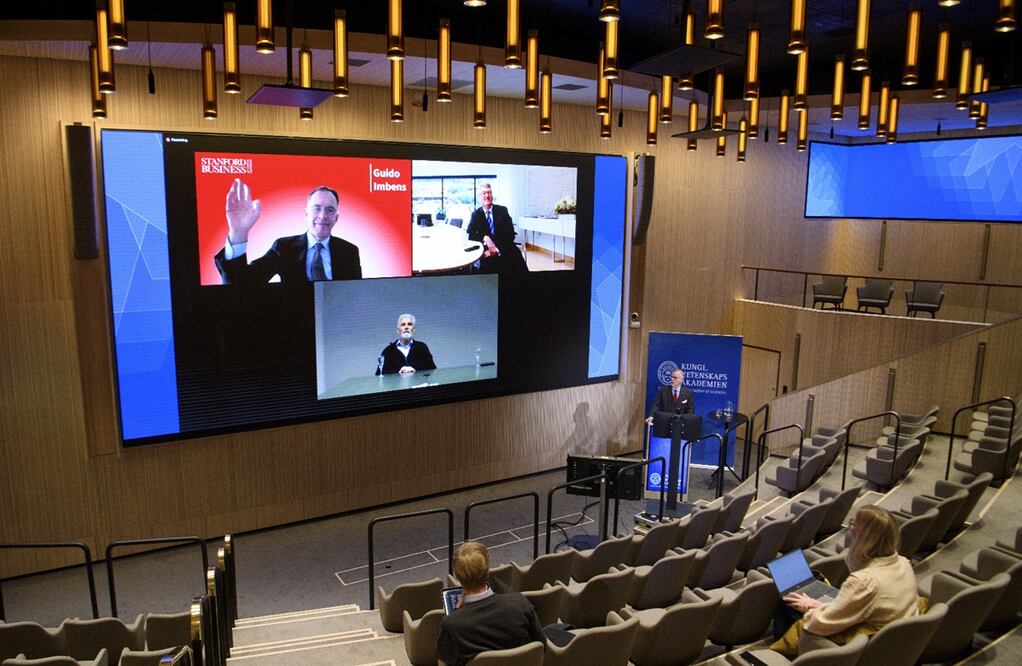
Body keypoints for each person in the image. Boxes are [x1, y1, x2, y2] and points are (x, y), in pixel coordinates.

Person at [771, 505, 921, 657]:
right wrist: (819, 605)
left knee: (788, 602)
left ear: (864, 536)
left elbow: (819, 624)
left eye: (853, 524)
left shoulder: (864, 581)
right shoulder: (903, 562)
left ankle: (780, 657)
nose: (849, 528)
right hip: (888, 638)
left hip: (858, 646)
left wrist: (809, 609)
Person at [214, 178, 362, 285]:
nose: (322, 216)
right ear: (306, 214)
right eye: (316, 208)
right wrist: (238, 233)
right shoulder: (284, 248)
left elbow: (356, 294)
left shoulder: (349, 251)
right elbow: (242, 283)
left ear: (336, 218)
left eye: (329, 210)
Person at [436, 542, 546, 666]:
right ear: (487, 571)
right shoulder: (520, 604)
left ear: (457, 577)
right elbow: (541, 647)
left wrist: (457, 613)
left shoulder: (451, 625)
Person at [466, 183, 527, 274]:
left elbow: (510, 235)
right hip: (486, 253)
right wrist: (485, 238)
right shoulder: (476, 215)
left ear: (492, 195)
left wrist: (497, 250)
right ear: (479, 197)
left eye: (489, 193)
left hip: (505, 250)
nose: (487, 195)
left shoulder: (502, 211)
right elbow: (471, 236)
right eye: (484, 193)